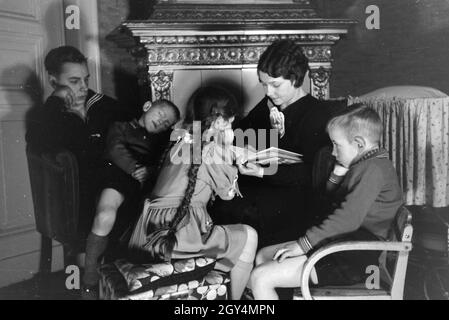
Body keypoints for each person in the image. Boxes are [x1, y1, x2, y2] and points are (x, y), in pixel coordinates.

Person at [249, 104, 403, 300]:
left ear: (359, 144)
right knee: (264, 255)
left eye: (336, 145)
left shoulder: (372, 170)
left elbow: (347, 219)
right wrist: (337, 175)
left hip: (355, 255)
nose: (333, 152)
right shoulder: (366, 164)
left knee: (260, 278)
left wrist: (303, 245)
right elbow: (332, 202)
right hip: (344, 243)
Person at [128, 86, 258, 300]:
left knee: (226, 231)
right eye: (231, 122)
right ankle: (235, 303)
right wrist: (232, 156)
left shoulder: (180, 141)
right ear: (220, 122)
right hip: (176, 236)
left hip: (149, 229)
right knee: (249, 236)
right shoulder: (213, 150)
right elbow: (227, 195)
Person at [211, 39, 343, 247]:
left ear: (296, 79)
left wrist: (262, 172)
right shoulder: (268, 106)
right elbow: (238, 135)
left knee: (235, 209)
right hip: (261, 187)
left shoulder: (318, 115)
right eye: (264, 84)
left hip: (293, 199)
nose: (268, 92)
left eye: (275, 85)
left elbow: (312, 175)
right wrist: (242, 147)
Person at [26, 46, 127, 258]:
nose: (83, 88)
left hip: (112, 187)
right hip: (77, 199)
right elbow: (38, 142)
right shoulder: (50, 114)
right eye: (74, 81)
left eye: (86, 80)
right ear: (53, 81)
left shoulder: (101, 105)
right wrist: (56, 102)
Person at [81, 99, 180, 296]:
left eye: (167, 123)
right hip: (117, 176)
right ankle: (89, 279)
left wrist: (149, 171)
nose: (162, 123)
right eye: (161, 115)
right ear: (146, 106)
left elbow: (165, 163)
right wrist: (134, 169)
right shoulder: (121, 127)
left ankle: (124, 282)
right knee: (105, 216)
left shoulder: (161, 142)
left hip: (142, 187)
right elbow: (115, 148)